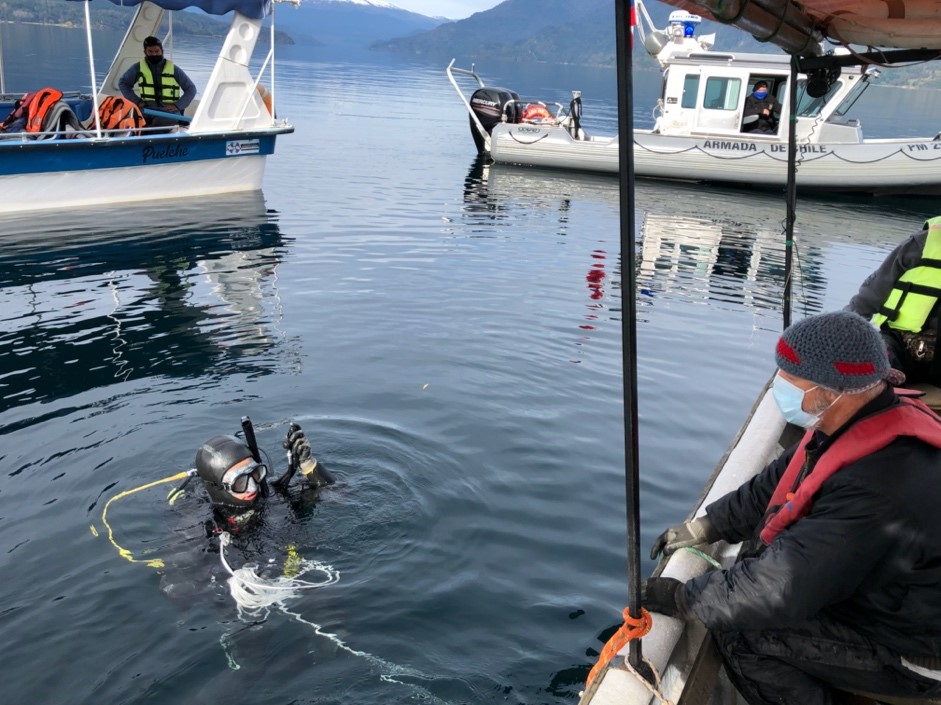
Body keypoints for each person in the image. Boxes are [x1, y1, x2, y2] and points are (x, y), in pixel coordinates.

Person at [644, 310, 941, 705]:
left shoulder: (878, 488)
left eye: (790, 378)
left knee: (743, 632)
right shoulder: (866, 418)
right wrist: (708, 527)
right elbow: (779, 481)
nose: (779, 386)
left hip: (918, 651)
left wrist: (681, 598)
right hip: (890, 602)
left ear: (832, 390)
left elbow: (777, 588)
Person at [191, 420, 335, 534]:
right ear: (218, 488)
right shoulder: (202, 520)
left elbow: (336, 493)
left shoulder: (271, 491)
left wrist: (308, 464)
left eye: (255, 473)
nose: (252, 487)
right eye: (240, 483)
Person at [846, 216, 941, 386]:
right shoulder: (922, 243)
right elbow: (870, 296)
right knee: (872, 361)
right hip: (900, 342)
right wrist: (840, 330)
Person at [118, 35, 197, 129]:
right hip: (146, 110)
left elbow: (191, 89)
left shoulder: (174, 69)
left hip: (169, 113)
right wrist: (137, 101)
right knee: (134, 122)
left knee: (160, 123)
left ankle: (146, 138)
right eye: (150, 52)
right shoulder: (137, 68)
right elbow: (123, 83)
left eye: (157, 51)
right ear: (145, 52)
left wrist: (178, 105)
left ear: (162, 52)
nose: (154, 54)